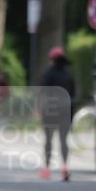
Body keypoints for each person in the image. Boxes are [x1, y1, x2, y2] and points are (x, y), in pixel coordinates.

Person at [38, 46, 76, 181]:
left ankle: (47, 169)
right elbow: (73, 95)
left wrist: (39, 109)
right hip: (65, 111)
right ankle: (65, 168)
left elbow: (43, 93)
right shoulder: (68, 75)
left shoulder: (48, 74)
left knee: (48, 140)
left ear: (52, 60)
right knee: (64, 141)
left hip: (51, 111)